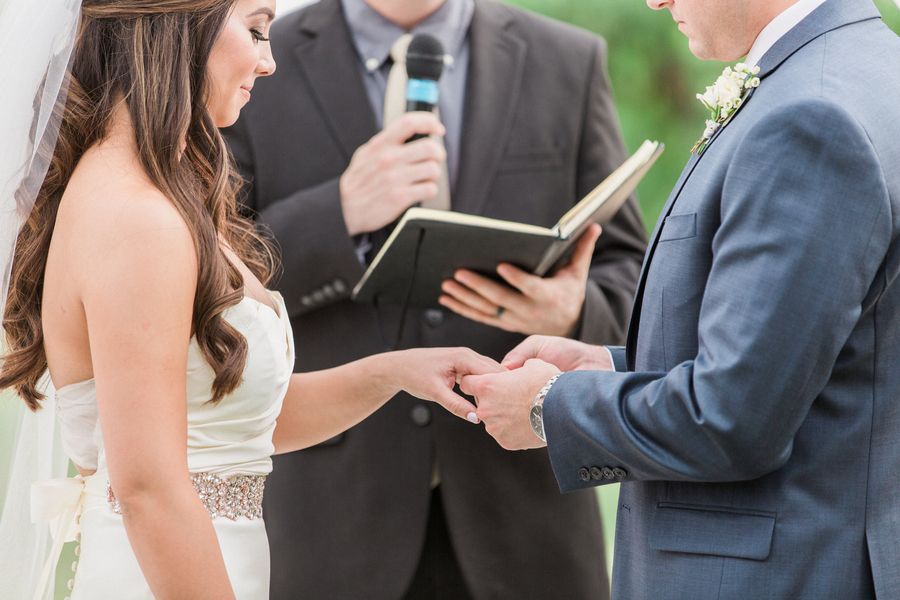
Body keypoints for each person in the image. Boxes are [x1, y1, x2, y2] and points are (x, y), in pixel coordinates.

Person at [0, 1, 500, 598]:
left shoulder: (156, 195)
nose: (268, 62)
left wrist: (395, 373)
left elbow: (234, 420)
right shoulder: (135, 217)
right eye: (257, 31)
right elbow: (149, 490)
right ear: (179, 28)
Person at [462, 0, 900, 598]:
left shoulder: (810, 115)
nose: (655, 1)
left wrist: (549, 407)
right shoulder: (871, 70)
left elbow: (731, 419)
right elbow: (823, 357)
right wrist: (611, 367)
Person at [223, 0, 647, 597]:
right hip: (332, 517)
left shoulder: (566, 60)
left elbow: (631, 271)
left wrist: (572, 311)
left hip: (526, 520)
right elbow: (207, 270)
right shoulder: (254, 58)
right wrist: (339, 212)